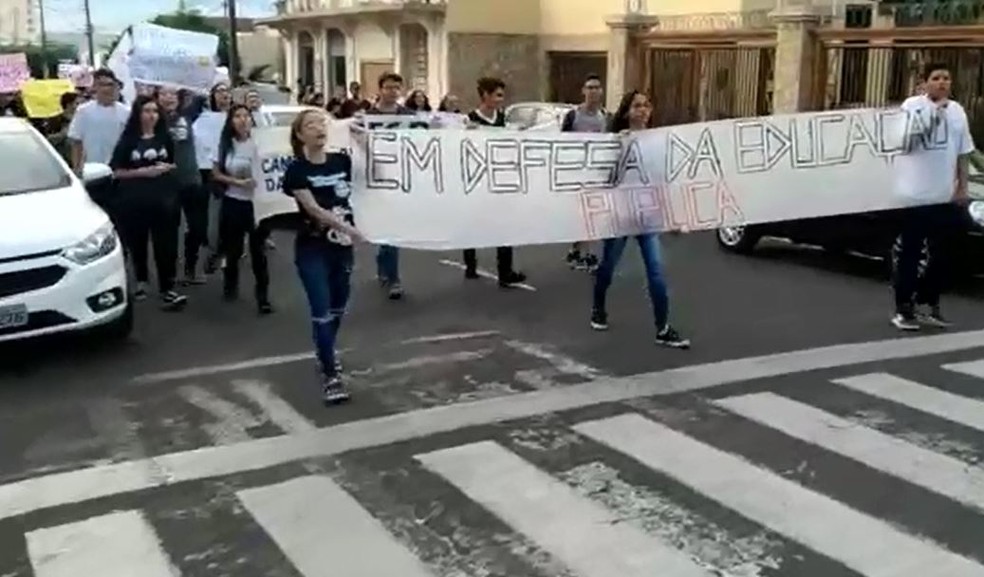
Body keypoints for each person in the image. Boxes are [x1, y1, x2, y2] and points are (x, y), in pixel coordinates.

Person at [590, 90, 689, 348]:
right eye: (637, 106)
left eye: (647, 105)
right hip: (621, 215)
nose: (643, 110)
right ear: (626, 112)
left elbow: (663, 179)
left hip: (648, 216)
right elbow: (606, 178)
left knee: (656, 272)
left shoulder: (657, 141)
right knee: (608, 268)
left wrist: (673, 216)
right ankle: (598, 308)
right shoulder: (616, 141)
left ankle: (663, 328)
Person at [283, 108, 364, 404]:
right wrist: (348, 228)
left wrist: (362, 141)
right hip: (312, 248)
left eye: (321, 123)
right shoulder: (296, 170)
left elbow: (375, 175)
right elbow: (314, 209)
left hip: (342, 248)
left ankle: (324, 351)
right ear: (300, 134)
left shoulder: (341, 160)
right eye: (311, 124)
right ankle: (330, 375)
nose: (319, 128)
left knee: (338, 309)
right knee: (321, 309)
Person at [890, 62, 974, 331]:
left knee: (948, 250)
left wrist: (962, 186)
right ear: (925, 83)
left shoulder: (958, 111)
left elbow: (964, 152)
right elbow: (904, 143)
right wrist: (932, 117)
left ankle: (927, 300)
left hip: (944, 194)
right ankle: (904, 308)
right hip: (914, 194)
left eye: (946, 78)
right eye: (936, 78)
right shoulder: (912, 106)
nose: (942, 83)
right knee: (911, 253)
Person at [109, 94, 188, 310]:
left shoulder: (165, 138)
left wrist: (168, 170)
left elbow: (172, 163)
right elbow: (116, 171)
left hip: (164, 200)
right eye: (146, 111)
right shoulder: (128, 140)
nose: (151, 115)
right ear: (138, 114)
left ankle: (167, 287)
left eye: (154, 111)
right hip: (134, 201)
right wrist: (144, 172)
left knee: (167, 245)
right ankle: (141, 280)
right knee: (138, 243)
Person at [462, 77, 527, 287]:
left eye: (502, 95)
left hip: (499, 179)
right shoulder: (470, 120)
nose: (501, 99)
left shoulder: (503, 120)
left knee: (504, 224)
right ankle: (470, 265)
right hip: (476, 179)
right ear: (485, 96)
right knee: (473, 223)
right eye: (497, 95)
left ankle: (505, 272)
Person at [210, 103, 273, 314]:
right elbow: (216, 173)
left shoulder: (261, 143)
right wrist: (237, 183)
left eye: (246, 116)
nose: (243, 120)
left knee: (258, 252)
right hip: (233, 201)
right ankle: (230, 284)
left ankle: (263, 297)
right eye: (237, 116)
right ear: (231, 121)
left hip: (257, 204)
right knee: (233, 249)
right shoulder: (224, 144)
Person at [367, 71, 415, 300]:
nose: (392, 92)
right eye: (388, 87)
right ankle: (389, 271)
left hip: (400, 178)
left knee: (393, 230)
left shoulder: (409, 115)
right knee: (386, 230)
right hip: (376, 179)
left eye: (396, 88)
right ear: (380, 89)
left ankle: (391, 274)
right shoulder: (369, 116)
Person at [159, 87, 208, 285]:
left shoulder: (189, 115)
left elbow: (202, 92)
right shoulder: (152, 118)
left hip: (191, 180)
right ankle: (169, 275)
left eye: (172, 94)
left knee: (197, 228)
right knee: (168, 232)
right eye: (164, 93)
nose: (168, 97)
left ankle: (190, 267)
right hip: (166, 184)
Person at [67, 68, 130, 218]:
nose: (107, 89)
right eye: (102, 85)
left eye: (110, 85)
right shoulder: (84, 111)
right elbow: (76, 140)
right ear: (95, 87)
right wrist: (77, 169)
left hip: (119, 172)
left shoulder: (126, 112)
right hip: (92, 172)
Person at [562, 74, 608, 272]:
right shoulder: (573, 116)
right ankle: (578, 251)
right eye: (589, 87)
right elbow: (560, 144)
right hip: (576, 172)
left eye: (597, 87)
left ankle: (584, 253)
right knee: (581, 216)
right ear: (583, 91)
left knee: (592, 214)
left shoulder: (606, 116)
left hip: (596, 173)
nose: (593, 91)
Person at [193, 82, 232, 274]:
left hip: (233, 169)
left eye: (227, 92)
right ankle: (214, 251)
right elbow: (199, 143)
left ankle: (225, 250)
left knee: (230, 214)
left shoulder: (235, 117)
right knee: (214, 213)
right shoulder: (203, 118)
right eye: (220, 92)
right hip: (209, 170)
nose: (224, 95)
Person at [45, 91, 79, 163]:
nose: (79, 106)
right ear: (69, 104)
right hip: (62, 159)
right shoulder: (55, 120)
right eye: (77, 103)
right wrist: (63, 134)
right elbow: (47, 140)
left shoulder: (81, 119)